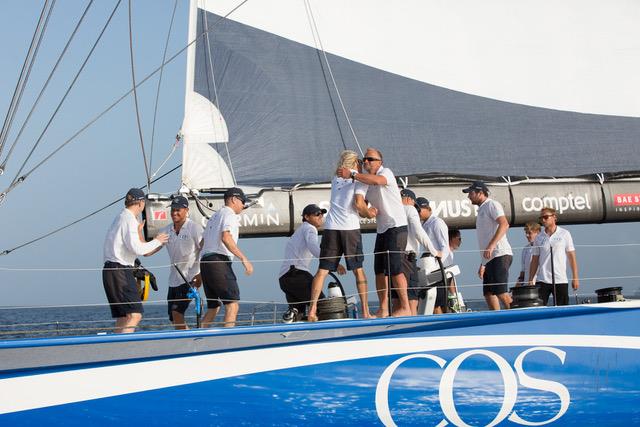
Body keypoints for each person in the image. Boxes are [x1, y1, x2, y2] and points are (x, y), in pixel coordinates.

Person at [336, 147, 410, 317]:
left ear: (380, 162)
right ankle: (383, 308)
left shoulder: (386, 172)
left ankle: (405, 307)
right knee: (379, 270)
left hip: (397, 227)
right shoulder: (364, 182)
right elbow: (360, 203)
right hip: (382, 229)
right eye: (364, 160)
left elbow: (378, 181)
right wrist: (366, 212)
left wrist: (353, 174)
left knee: (395, 268)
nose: (366, 162)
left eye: (370, 159)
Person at [308, 150, 376, 321]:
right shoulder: (359, 180)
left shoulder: (335, 179)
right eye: (360, 162)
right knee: (358, 271)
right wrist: (370, 213)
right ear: (354, 164)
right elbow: (359, 205)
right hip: (350, 229)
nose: (362, 164)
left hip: (331, 228)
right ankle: (366, 312)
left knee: (322, 271)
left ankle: (312, 310)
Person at [102, 188, 169, 333]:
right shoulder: (129, 219)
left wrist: (139, 232)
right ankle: (123, 349)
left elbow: (133, 247)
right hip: (120, 271)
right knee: (135, 314)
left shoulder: (120, 217)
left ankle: (115, 349)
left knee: (123, 317)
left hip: (110, 271)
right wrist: (158, 240)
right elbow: (137, 249)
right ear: (141, 203)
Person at [279, 204, 345, 320]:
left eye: (322, 214)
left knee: (297, 316)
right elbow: (313, 247)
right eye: (317, 214)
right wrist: (333, 263)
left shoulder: (300, 231)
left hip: (285, 278)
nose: (321, 216)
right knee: (322, 307)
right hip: (297, 275)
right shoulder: (309, 228)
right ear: (307, 217)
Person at [200, 187, 254, 328]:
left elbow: (201, 244)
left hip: (205, 263)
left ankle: (194, 342)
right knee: (232, 305)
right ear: (234, 199)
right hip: (219, 262)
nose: (244, 205)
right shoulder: (229, 214)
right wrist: (244, 259)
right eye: (242, 201)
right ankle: (227, 342)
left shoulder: (214, 217)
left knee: (213, 307)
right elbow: (226, 237)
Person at [148, 196, 204, 330]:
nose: (174, 213)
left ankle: (189, 344)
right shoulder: (166, 230)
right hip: (173, 281)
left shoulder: (194, 228)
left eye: (178, 210)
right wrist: (138, 236)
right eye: (172, 210)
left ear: (186, 210)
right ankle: (189, 340)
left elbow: (205, 249)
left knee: (177, 312)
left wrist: (202, 275)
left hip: (190, 278)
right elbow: (148, 252)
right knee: (173, 318)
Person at [463, 180, 513, 310]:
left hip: (500, 253)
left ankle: (519, 320)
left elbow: (504, 224)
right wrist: (483, 263)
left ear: (480, 193)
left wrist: (491, 246)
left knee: (501, 292)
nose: (468, 196)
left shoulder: (492, 204)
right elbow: (486, 238)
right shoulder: (481, 210)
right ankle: (497, 320)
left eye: (471, 193)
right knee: (488, 293)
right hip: (490, 257)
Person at [395, 189, 441, 315]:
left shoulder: (392, 211)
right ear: (410, 200)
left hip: (392, 257)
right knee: (412, 297)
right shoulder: (410, 209)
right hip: (407, 258)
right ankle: (412, 325)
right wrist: (434, 252)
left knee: (396, 297)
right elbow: (418, 232)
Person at [528, 207, 579, 306]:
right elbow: (535, 259)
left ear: (554, 217)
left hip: (560, 279)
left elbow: (571, 257)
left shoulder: (565, 234)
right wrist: (531, 279)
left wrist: (575, 277)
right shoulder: (539, 237)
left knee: (562, 310)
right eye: (541, 218)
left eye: (546, 217)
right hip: (542, 280)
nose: (543, 220)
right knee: (539, 310)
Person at [416, 197, 451, 314]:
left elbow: (445, 247)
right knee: (430, 300)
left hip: (437, 266)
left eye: (419, 210)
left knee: (437, 303)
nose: (417, 213)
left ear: (428, 209)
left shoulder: (437, 222)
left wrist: (437, 266)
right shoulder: (423, 225)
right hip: (429, 265)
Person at [515, 221, 541, 286]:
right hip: (527, 285)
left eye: (529, 233)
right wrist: (519, 282)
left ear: (537, 233)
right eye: (526, 233)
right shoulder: (525, 249)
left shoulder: (543, 248)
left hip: (540, 284)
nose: (527, 235)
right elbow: (523, 270)